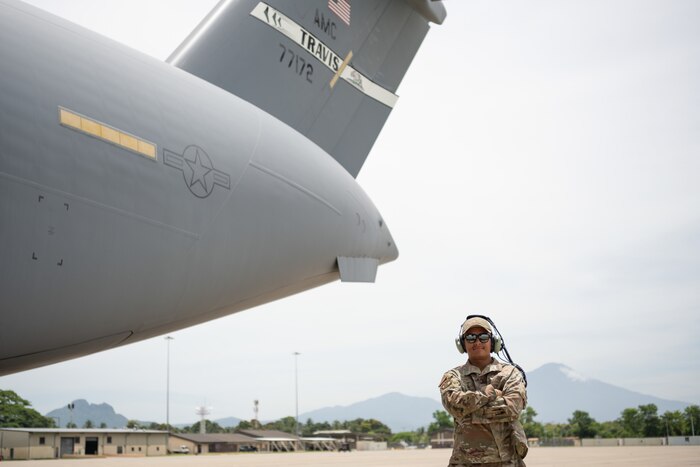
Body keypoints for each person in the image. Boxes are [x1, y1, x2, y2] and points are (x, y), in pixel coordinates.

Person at [439, 316, 528, 467]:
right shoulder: (453, 376)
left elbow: (513, 407)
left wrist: (469, 411)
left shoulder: (510, 373)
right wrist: (489, 394)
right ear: (462, 343)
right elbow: (454, 405)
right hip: (465, 462)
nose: (478, 342)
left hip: (507, 461)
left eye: (484, 337)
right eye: (471, 337)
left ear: (493, 342)